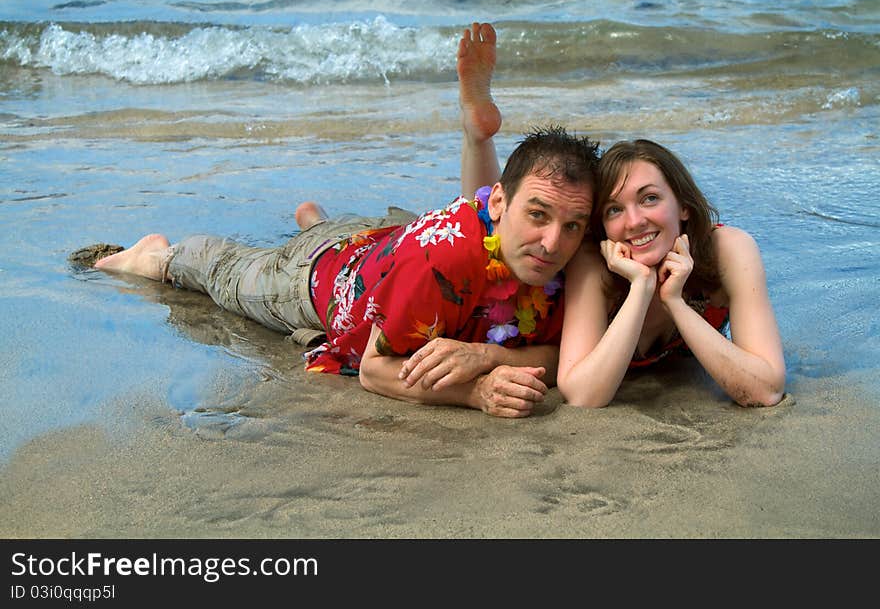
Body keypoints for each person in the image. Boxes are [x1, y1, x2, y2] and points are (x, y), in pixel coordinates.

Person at [88, 122, 600, 418]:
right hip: (319, 277)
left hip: (382, 240)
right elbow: (376, 371)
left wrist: (485, 353)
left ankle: (314, 220)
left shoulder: (565, 254)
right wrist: (475, 390)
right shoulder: (438, 261)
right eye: (537, 215)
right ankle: (157, 257)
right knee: (228, 276)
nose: (553, 243)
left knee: (366, 241)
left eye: (573, 224)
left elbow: (573, 356)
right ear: (500, 203)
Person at [457, 22, 786, 408]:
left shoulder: (729, 248)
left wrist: (677, 302)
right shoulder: (592, 259)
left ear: (683, 205)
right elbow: (580, 394)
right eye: (614, 208)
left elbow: (766, 388)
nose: (634, 222)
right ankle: (476, 135)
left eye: (648, 199)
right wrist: (641, 287)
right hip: (524, 306)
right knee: (489, 243)